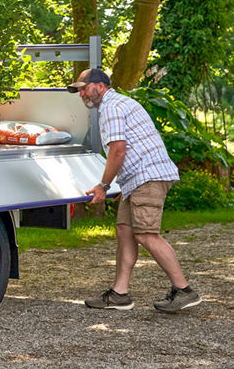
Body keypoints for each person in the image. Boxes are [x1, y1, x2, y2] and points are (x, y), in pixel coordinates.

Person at [69, 68, 202, 313]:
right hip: (138, 179)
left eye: (84, 88)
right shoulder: (117, 104)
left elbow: (118, 149)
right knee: (125, 230)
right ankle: (120, 294)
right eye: (79, 91)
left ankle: (184, 290)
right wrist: (124, 185)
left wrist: (105, 185)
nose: (82, 95)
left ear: (99, 85)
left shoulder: (111, 107)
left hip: (147, 176)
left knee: (146, 234)